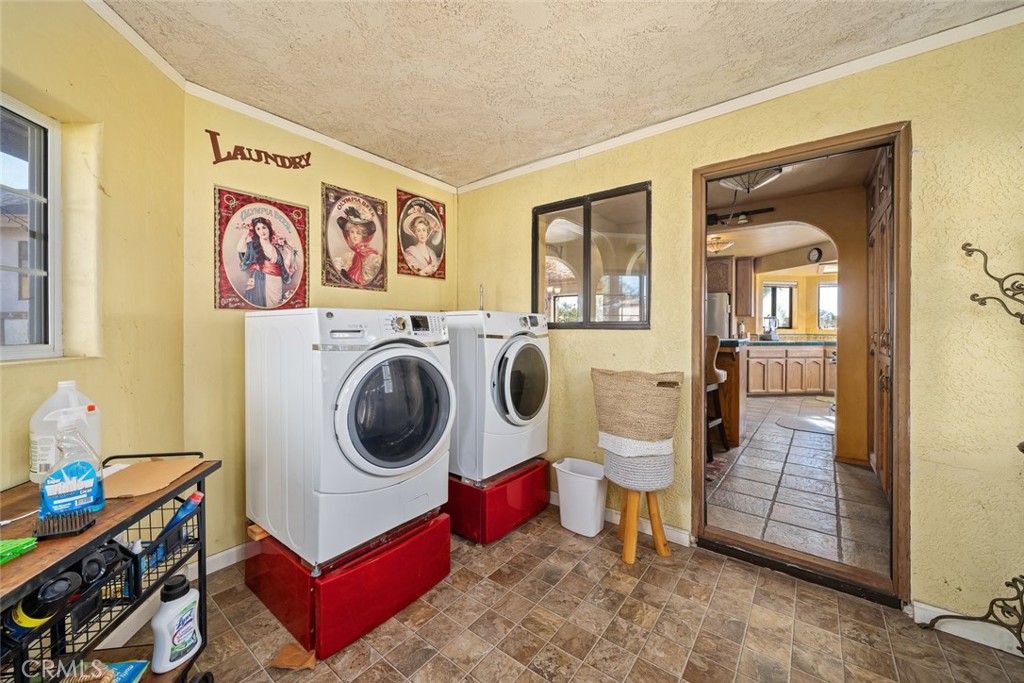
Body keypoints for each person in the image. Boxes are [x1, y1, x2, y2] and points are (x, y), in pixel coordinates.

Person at [236, 216, 298, 308]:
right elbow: (240, 249)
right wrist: (245, 235)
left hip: (276, 284)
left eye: (264, 227)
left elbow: (282, 268)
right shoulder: (254, 245)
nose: (262, 231)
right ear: (255, 232)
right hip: (260, 281)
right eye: (258, 229)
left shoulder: (276, 249)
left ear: (269, 229)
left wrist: (289, 253)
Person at [336, 205, 381, 285]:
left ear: (363, 235)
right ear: (348, 234)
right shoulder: (349, 257)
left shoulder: (372, 257)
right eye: (352, 232)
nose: (354, 236)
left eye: (358, 233)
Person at [401, 211, 443, 276]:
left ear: (427, 232)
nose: (422, 234)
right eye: (418, 230)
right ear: (414, 233)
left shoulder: (432, 253)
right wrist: (424, 271)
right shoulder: (410, 253)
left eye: (424, 230)